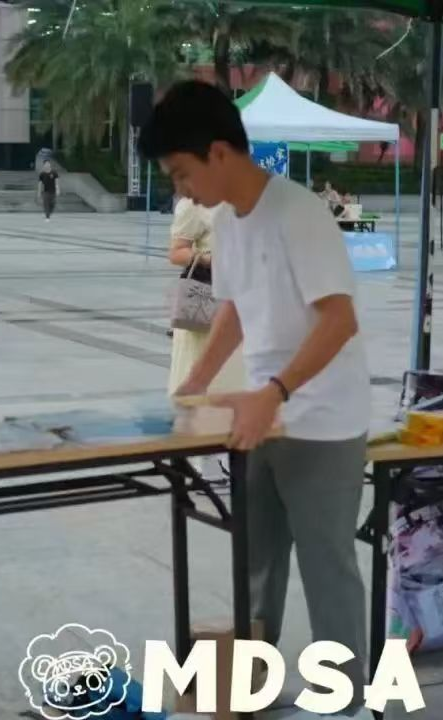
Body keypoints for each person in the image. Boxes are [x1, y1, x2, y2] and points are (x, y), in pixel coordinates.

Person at [140, 80, 372, 719]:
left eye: (182, 173)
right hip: (261, 417)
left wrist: (275, 392)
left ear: (219, 152)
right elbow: (236, 309)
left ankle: (346, 702)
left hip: (322, 422)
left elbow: (338, 320)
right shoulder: (227, 221)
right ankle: (251, 689)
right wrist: (196, 383)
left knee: (326, 567)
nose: (182, 189)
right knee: (257, 563)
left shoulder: (299, 213)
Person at [167, 195, 246, 480]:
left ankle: (228, 451)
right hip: (206, 304)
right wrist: (209, 259)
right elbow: (176, 252)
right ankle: (199, 458)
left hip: (242, 303)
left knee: (236, 379)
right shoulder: (196, 204)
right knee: (202, 379)